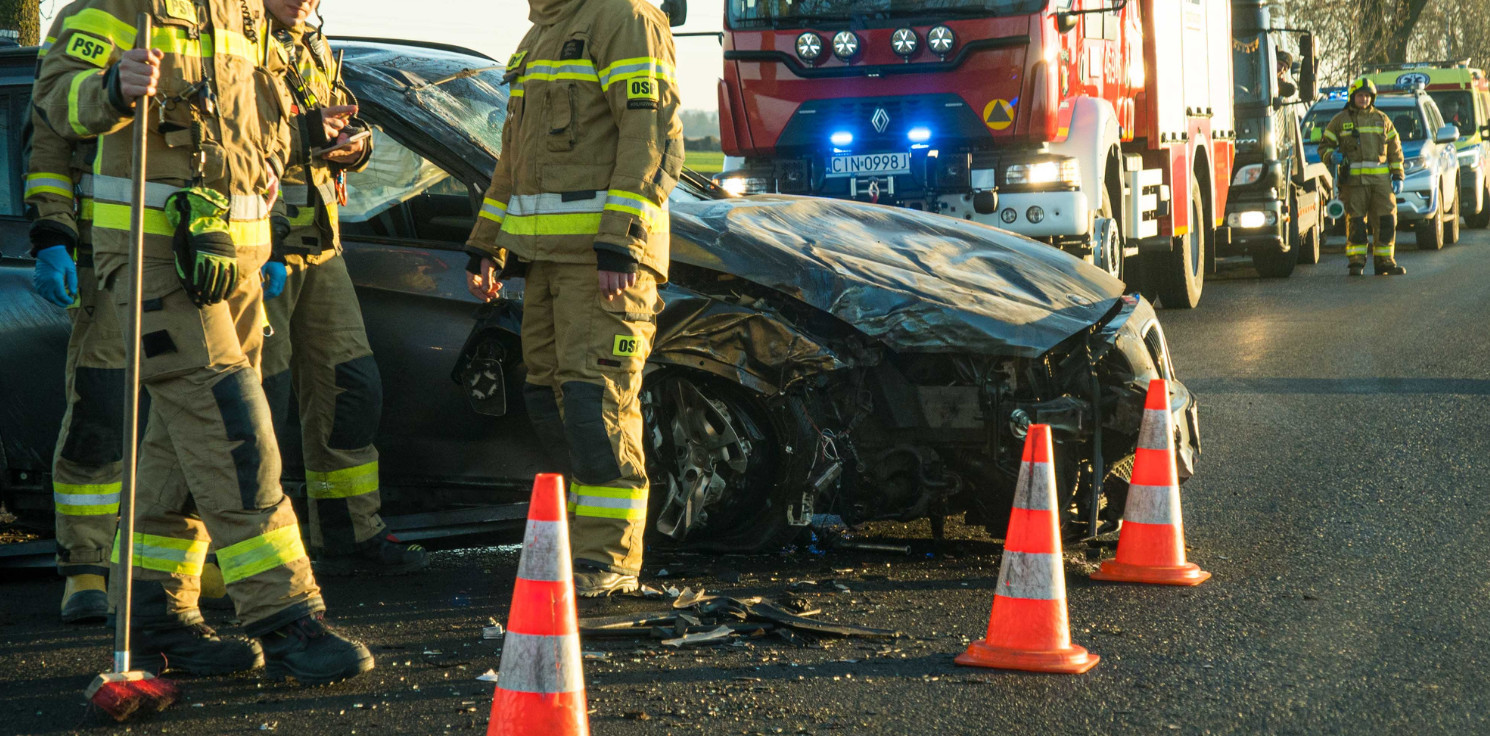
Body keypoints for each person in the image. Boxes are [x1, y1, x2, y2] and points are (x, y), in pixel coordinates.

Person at [34, 0, 373, 683]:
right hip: (157, 260)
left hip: (240, 265)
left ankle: (157, 619)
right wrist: (107, 89)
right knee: (231, 431)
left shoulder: (247, 15)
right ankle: (286, 618)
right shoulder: (122, 6)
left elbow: (252, 134)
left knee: (179, 451)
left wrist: (315, 138)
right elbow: (53, 105)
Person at [465, 0, 684, 596]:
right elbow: (515, 157)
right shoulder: (544, 30)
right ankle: (577, 547)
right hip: (545, 265)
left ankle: (609, 560)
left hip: (603, 265)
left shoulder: (626, 16)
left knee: (597, 405)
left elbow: (652, 134)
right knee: (549, 401)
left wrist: (620, 241)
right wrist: (489, 245)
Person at [258, 0, 426, 576]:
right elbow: (232, 138)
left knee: (351, 385)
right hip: (257, 244)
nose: (308, 1)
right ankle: (258, 556)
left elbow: (334, 124)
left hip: (318, 243)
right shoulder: (236, 40)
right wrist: (306, 134)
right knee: (259, 402)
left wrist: (357, 145)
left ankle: (350, 531)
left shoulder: (312, 41)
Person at [26, 1, 119, 625]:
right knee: (102, 408)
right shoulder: (101, 14)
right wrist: (53, 237)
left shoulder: (221, 23)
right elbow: (51, 136)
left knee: (190, 426)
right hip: (106, 259)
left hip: (197, 262)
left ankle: (176, 567)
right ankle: (85, 568)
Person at [1318, 78, 1406, 276]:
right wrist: (1331, 156)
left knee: (1386, 220)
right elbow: (1324, 146)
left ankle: (1385, 261)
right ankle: (1356, 262)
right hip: (1353, 183)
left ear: (1372, 98)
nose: (1364, 99)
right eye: (1360, 96)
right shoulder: (1340, 120)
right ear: (1353, 97)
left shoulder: (1383, 120)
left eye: (1367, 96)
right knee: (1356, 222)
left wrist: (1398, 175)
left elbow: (1395, 149)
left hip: (1381, 183)